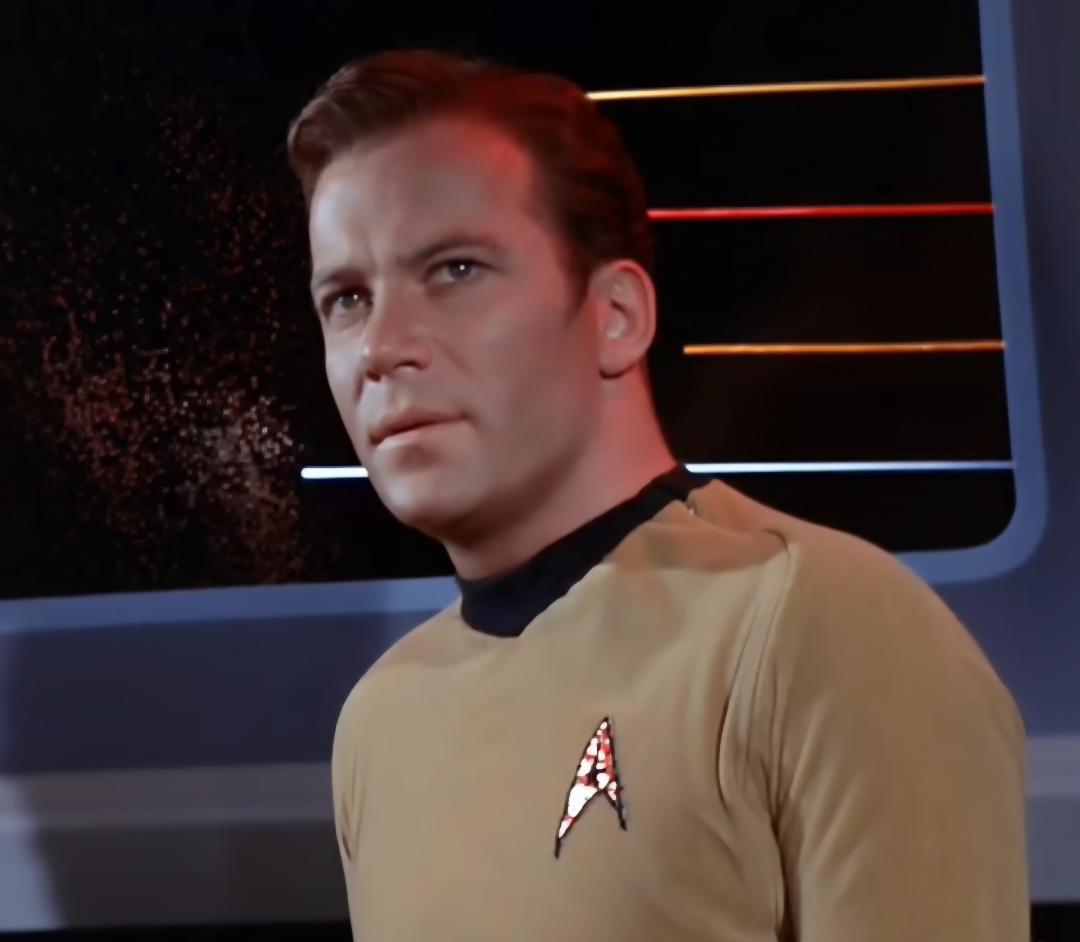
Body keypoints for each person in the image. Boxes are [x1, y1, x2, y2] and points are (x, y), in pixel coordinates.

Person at [286, 49, 1028, 941]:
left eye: (455, 270)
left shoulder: (819, 626)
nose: (382, 346)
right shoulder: (380, 725)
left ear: (617, 315)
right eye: (348, 298)